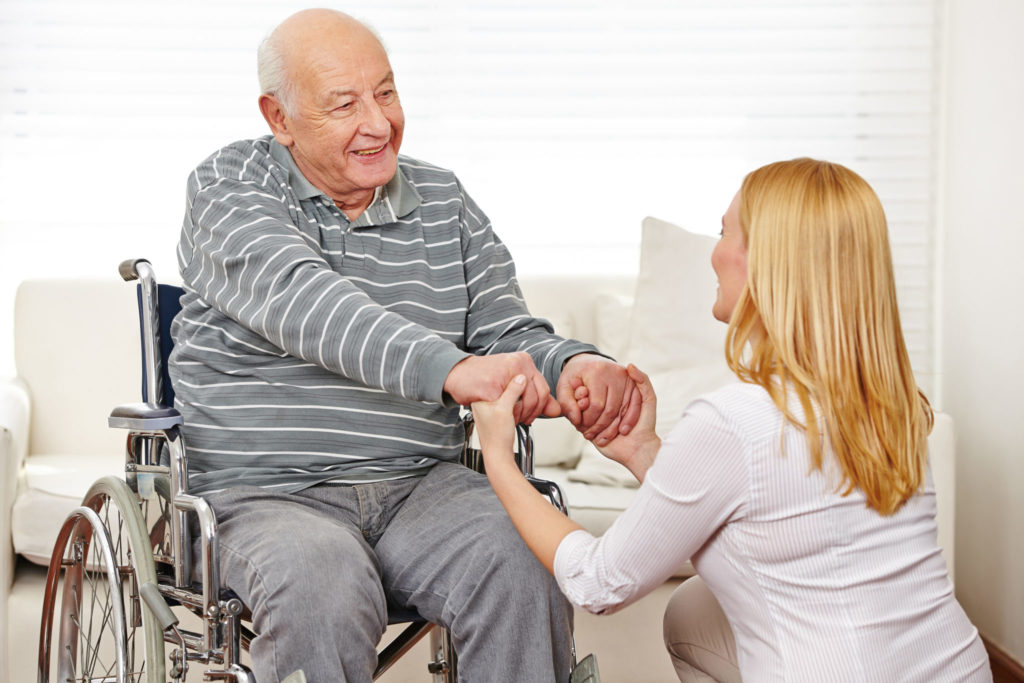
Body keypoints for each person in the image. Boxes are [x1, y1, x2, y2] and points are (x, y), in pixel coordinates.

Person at [169, 8, 641, 682]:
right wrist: (453, 370)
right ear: (279, 118)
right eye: (345, 104)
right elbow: (306, 300)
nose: (379, 122)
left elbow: (506, 332)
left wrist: (575, 366)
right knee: (322, 581)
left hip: (422, 486)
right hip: (268, 496)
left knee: (524, 550)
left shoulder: (444, 201)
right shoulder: (229, 187)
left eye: (386, 92)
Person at [471, 158, 993, 682]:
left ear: (765, 263)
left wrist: (499, 459)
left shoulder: (733, 421)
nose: (713, 252)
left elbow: (598, 584)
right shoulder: (893, 402)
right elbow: (766, 515)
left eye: (723, 232)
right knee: (695, 610)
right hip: (959, 668)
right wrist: (644, 450)